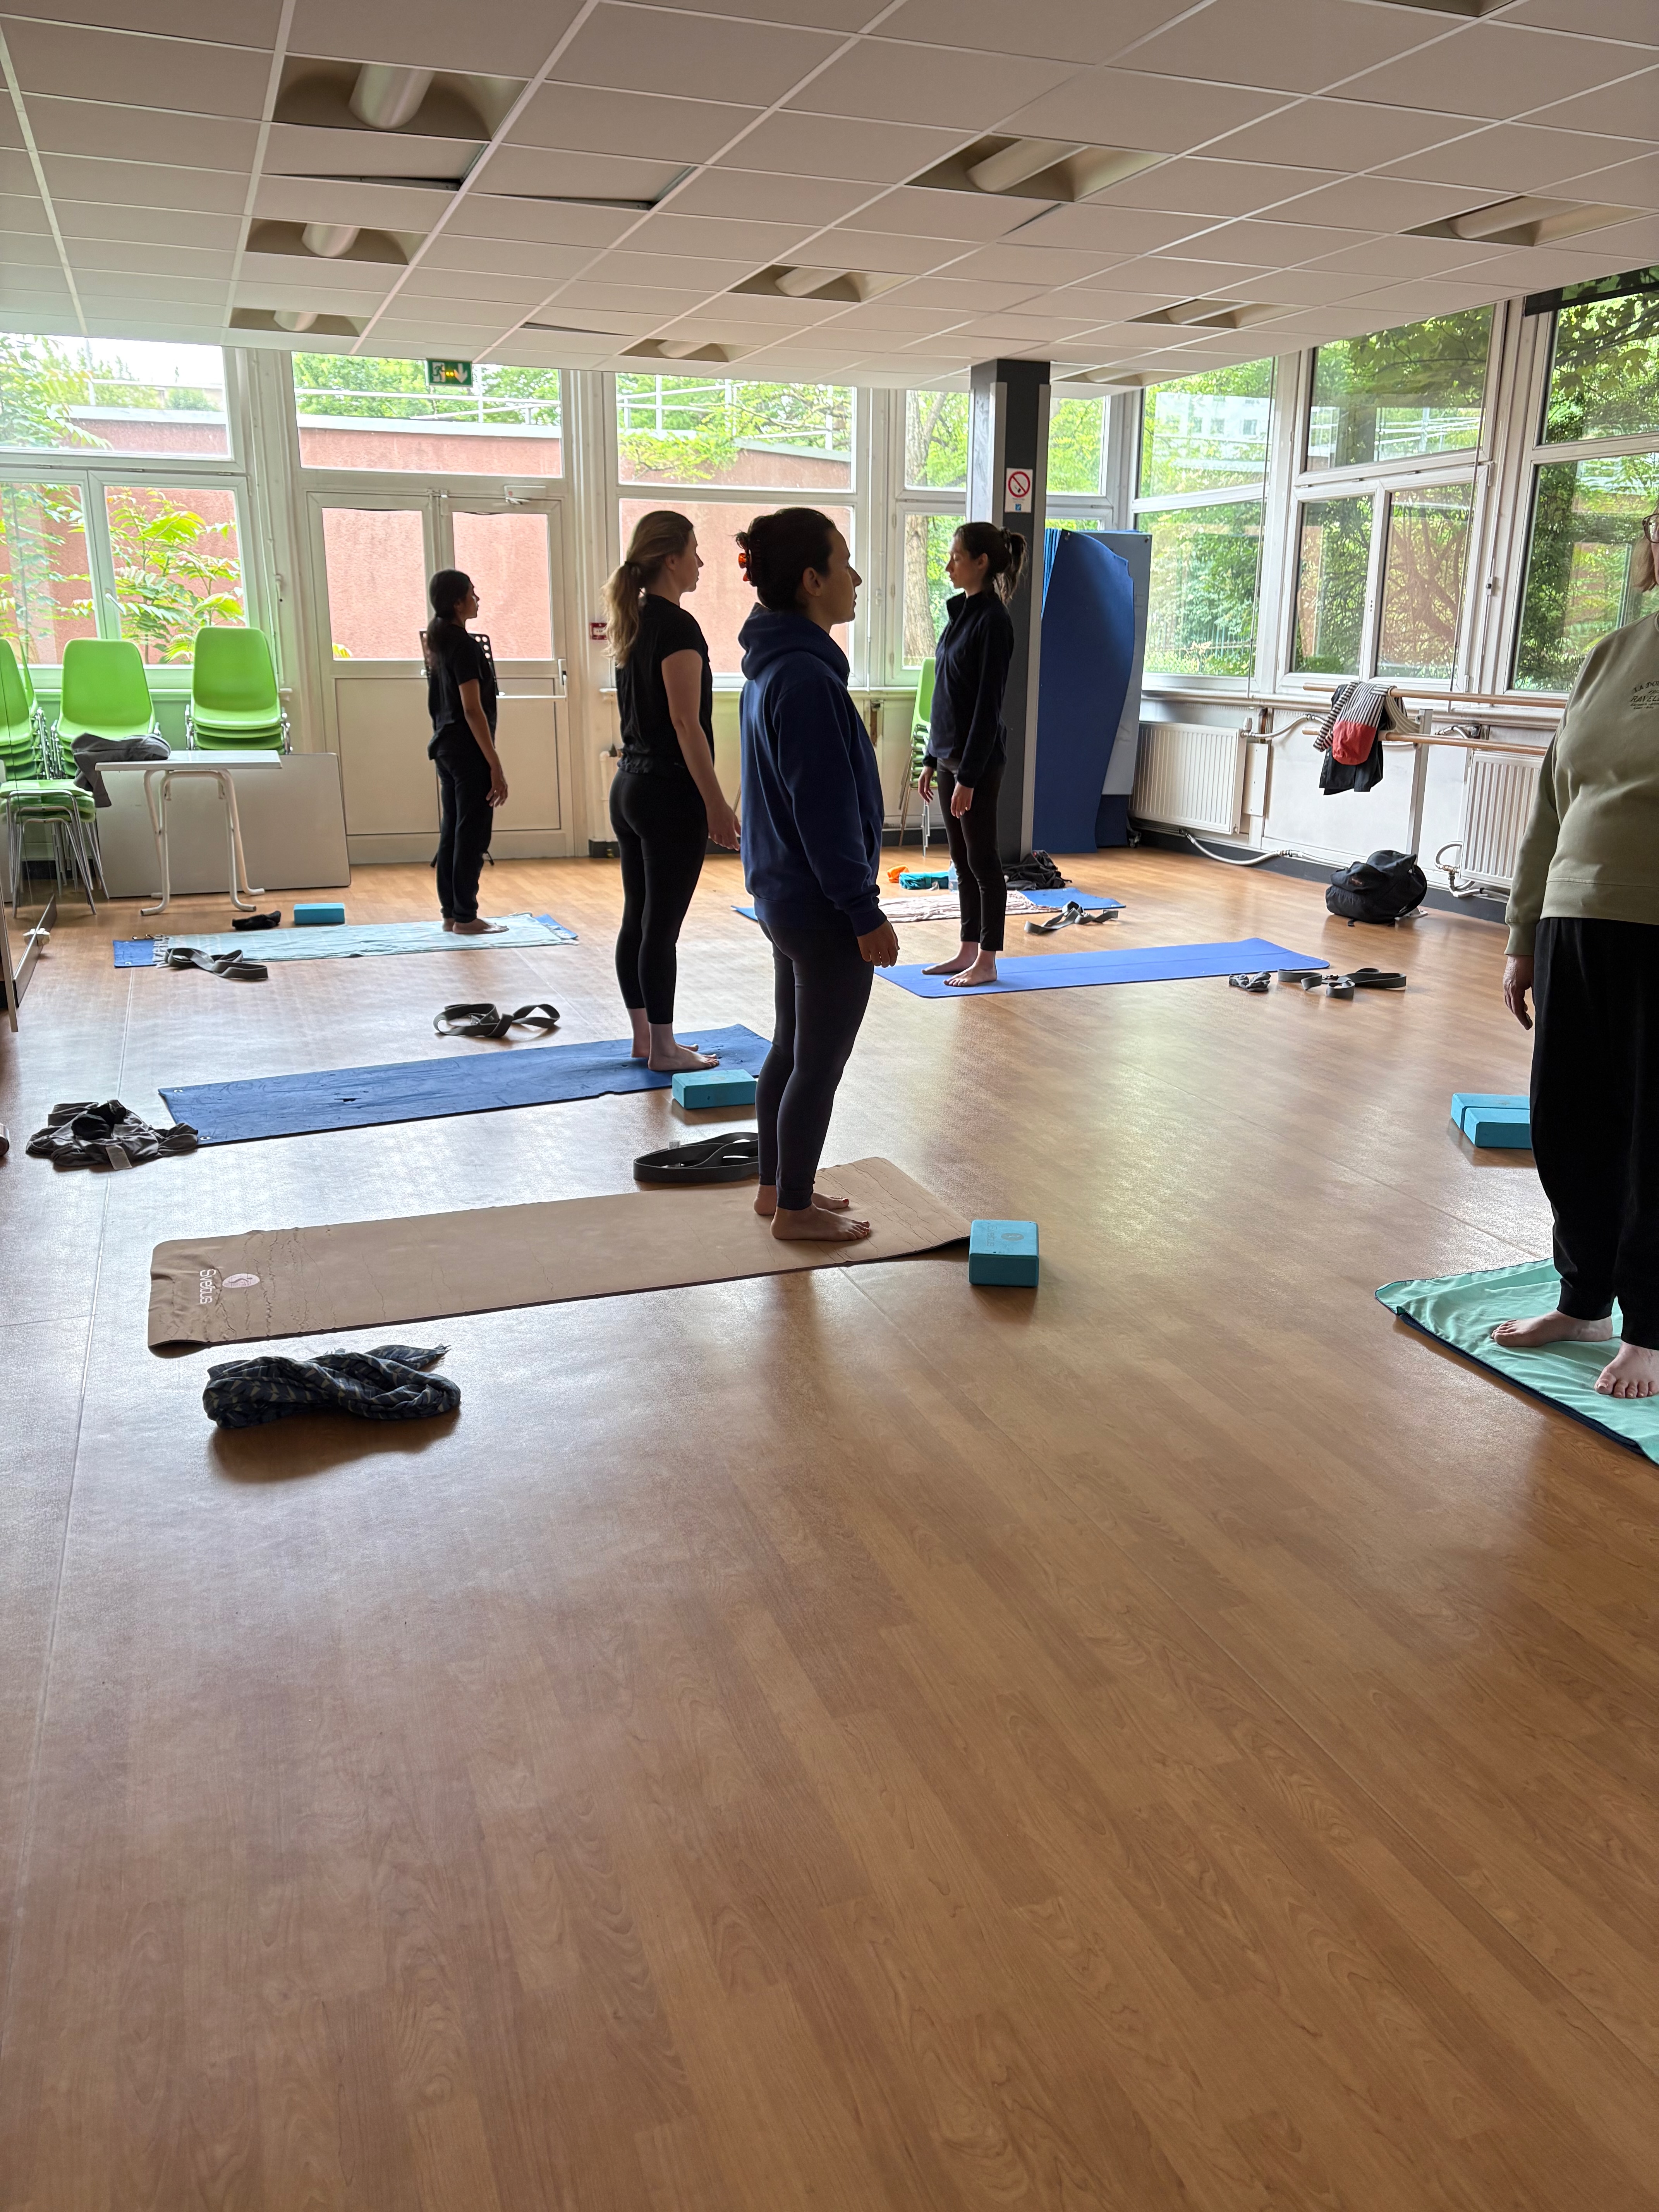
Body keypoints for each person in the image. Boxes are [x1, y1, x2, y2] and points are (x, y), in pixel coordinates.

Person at [1496, 524, 1659, 1400]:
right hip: (1576, 918)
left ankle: (1654, 1327)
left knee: (1652, 1135)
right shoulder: (1610, 655)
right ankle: (1584, 1298)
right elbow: (1551, 805)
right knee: (1568, 1121)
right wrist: (1524, 932)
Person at [737, 508, 898, 1243]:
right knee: (818, 1063)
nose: (856, 577)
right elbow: (823, 810)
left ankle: (777, 1188)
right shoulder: (802, 679)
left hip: (784, 895)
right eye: (844, 562)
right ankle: (795, 1210)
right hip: (818, 903)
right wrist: (863, 911)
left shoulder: (774, 668)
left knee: (791, 1048)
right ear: (811, 580)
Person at [604, 511, 741, 1072]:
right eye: (695, 550)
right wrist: (716, 803)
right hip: (666, 794)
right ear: (671, 560)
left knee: (638, 919)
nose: (701, 562)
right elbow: (688, 725)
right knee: (660, 927)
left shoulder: (635, 620)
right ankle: (663, 1049)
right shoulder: (678, 629)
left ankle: (645, 1038)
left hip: (630, 787)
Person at [916, 521, 1025, 988]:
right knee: (960, 862)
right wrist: (929, 759)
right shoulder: (960, 614)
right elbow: (945, 694)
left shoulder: (994, 622)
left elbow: (986, 708)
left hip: (976, 762)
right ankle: (966, 949)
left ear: (981, 562)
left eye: (957, 557)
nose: (948, 566)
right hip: (948, 757)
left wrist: (969, 777)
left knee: (983, 861)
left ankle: (988, 958)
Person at [424, 568, 507, 936]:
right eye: (473, 594)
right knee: (471, 834)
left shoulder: (438, 642)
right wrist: (495, 764)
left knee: (452, 832)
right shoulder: (464, 646)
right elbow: (472, 709)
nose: (477, 599)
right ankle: (467, 917)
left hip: (444, 747)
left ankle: (451, 913)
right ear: (458, 603)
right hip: (467, 749)